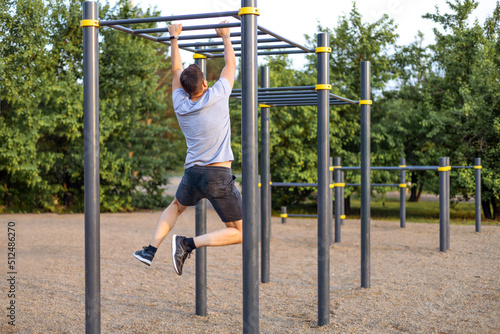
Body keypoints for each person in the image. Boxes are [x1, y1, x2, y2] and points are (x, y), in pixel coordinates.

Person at [133, 21, 242, 276]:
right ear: (204, 84)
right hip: (217, 175)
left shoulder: (180, 104)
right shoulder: (217, 95)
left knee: (175, 207)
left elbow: (175, 70)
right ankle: (187, 243)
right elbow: (231, 64)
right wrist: (225, 36)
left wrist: (173, 38)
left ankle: (150, 250)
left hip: (193, 173)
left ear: (184, 89)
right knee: (239, 233)